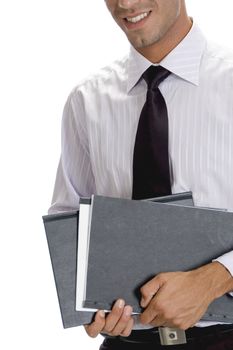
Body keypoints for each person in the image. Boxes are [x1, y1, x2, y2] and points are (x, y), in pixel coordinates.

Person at [49, 0, 233, 349]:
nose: (126, 4)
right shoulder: (86, 101)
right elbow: (70, 220)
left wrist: (216, 279)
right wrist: (90, 303)